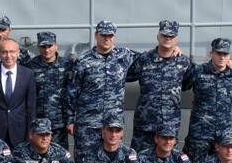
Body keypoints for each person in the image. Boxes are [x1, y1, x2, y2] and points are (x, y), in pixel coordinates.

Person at [64, 21, 137, 154]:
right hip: (89, 122)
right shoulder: (83, 61)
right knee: (85, 159)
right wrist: (69, 120)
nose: (107, 38)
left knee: (114, 159)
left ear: (114, 37)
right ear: (96, 35)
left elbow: (151, 58)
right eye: (103, 35)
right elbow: (71, 91)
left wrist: (174, 49)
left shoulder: (124, 56)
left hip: (113, 124)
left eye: (110, 35)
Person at [127, 20, 193, 155]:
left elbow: (192, 81)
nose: (167, 39)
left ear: (176, 40)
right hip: (145, 125)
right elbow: (122, 73)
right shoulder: (144, 59)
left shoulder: (183, 62)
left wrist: (229, 62)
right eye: (164, 35)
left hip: (169, 126)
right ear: (158, 37)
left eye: (171, 37)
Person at [182, 38, 232, 161]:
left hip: (223, 135)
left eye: (225, 54)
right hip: (199, 134)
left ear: (229, 55)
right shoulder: (198, 72)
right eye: (219, 53)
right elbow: (182, 84)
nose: (222, 57)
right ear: (212, 53)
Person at [0, 37, 37, 146]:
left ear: (18, 52)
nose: (8, 55)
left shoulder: (28, 74)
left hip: (19, 132)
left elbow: (31, 108)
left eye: (12, 51)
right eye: (4, 52)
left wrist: (30, 134)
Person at [25, 31, 73, 149]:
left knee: (60, 156)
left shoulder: (67, 65)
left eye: (50, 46)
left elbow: (72, 93)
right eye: (43, 47)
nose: (47, 50)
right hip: (37, 122)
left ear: (56, 45)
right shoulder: (30, 66)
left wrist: (70, 119)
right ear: (38, 47)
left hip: (59, 123)